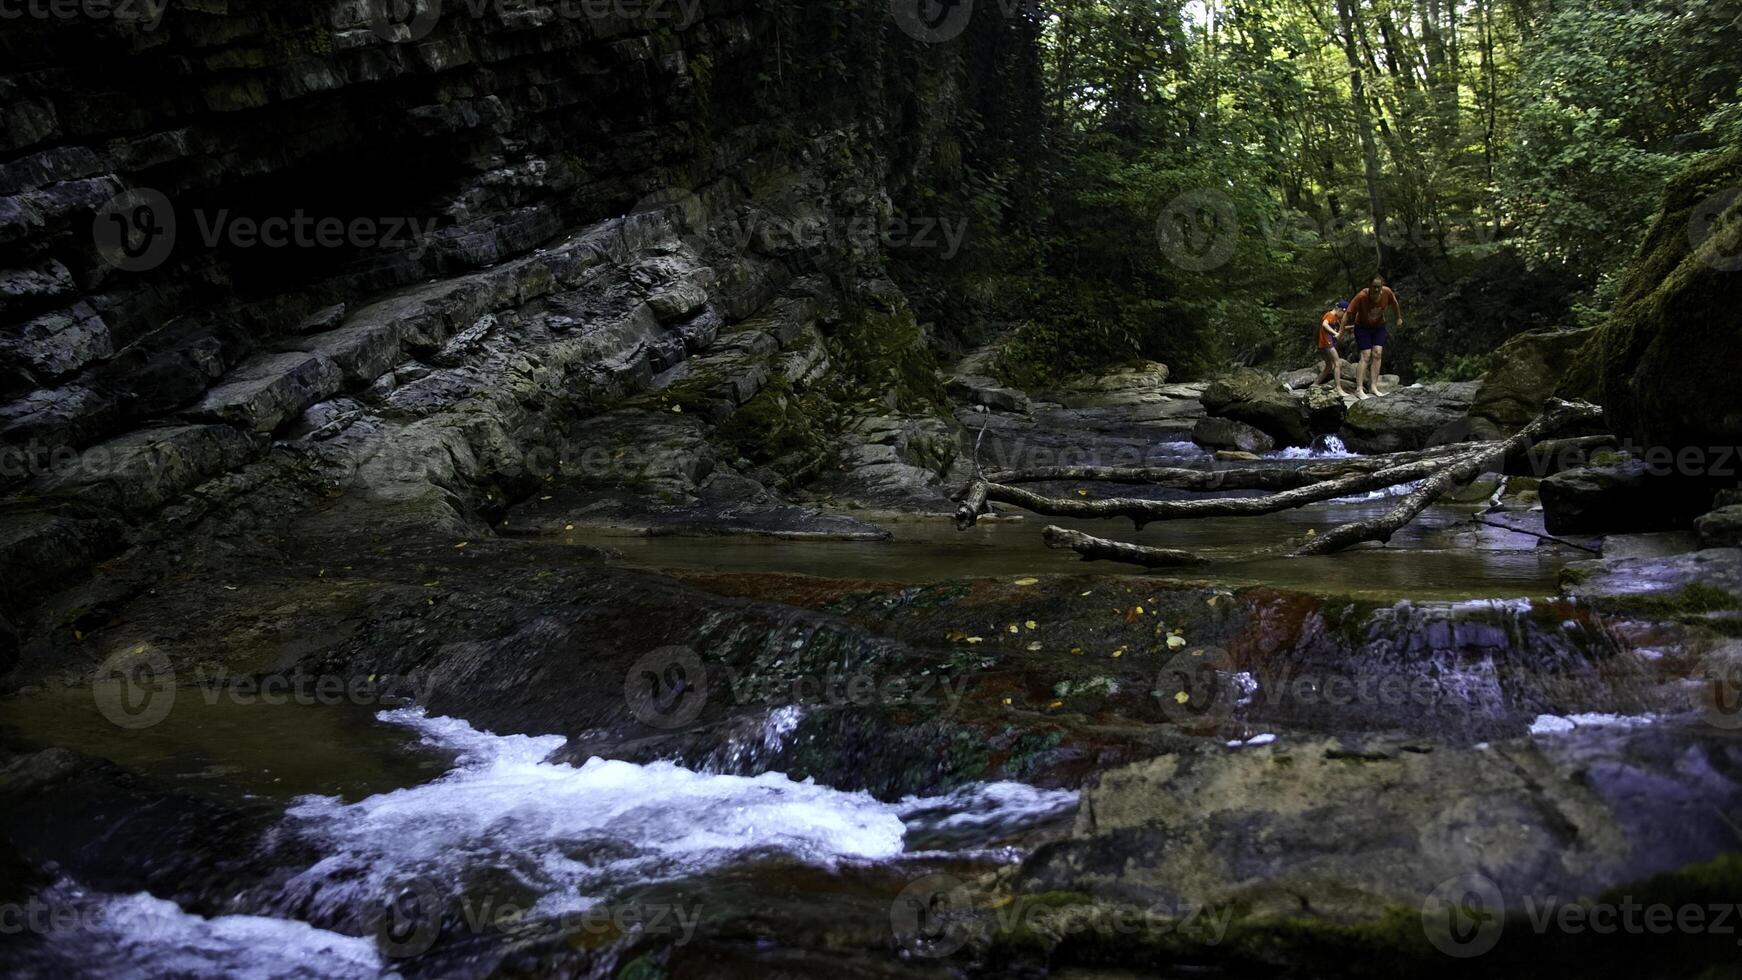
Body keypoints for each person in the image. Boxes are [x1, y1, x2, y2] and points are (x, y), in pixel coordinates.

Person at [1340, 274, 1402, 399]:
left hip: (1379, 326)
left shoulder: (1387, 292)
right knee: (1366, 355)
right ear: (1369, 285)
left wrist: (1399, 318)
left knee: (1377, 353)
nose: (1376, 289)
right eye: (1373, 286)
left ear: (1382, 286)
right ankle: (1359, 389)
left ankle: (1373, 387)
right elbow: (1348, 314)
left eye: (1378, 287)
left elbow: (1394, 303)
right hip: (1362, 327)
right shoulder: (1362, 296)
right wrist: (1341, 331)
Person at [1314, 300, 1350, 395]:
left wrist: (1354, 327)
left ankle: (1314, 385)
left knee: (1329, 366)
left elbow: (1341, 328)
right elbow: (1324, 324)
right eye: (1344, 313)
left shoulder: (1335, 318)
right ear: (1341, 310)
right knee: (1337, 363)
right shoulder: (1330, 315)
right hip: (1326, 343)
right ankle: (1338, 389)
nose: (1344, 316)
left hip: (1323, 344)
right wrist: (1335, 333)